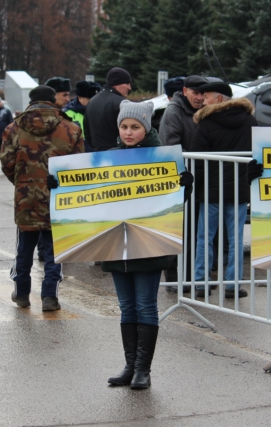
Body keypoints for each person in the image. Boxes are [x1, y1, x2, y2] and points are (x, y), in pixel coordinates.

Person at [89, 100, 193, 389]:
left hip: (148, 245)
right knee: (126, 307)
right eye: (124, 126)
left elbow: (173, 203)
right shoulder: (109, 157)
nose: (128, 132)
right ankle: (129, 365)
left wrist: (185, 185)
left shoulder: (162, 158)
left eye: (135, 127)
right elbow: (89, 194)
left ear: (146, 128)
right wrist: (58, 185)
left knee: (146, 305)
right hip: (116, 245)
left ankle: (143, 370)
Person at [0, 85, 84, 311]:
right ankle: (49, 297)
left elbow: (7, 163)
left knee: (24, 248)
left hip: (25, 197)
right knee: (54, 250)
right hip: (58, 198)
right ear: (53, 101)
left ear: (31, 101)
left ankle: (21, 293)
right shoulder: (71, 128)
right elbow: (78, 167)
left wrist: (22, 183)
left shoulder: (13, 127)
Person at [189, 81, 254, 299]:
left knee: (204, 238)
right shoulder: (250, 120)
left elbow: (197, 161)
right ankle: (232, 285)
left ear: (218, 99)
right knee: (236, 239)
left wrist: (194, 189)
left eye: (206, 96)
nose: (202, 101)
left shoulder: (206, 123)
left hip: (210, 192)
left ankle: (201, 282)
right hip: (240, 190)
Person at [159, 75, 207, 292]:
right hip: (180, 180)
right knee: (178, 230)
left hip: (199, 178)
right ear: (185, 90)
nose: (199, 97)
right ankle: (172, 278)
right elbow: (170, 145)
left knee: (194, 230)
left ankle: (188, 277)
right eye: (195, 93)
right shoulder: (173, 111)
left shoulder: (203, 110)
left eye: (202, 93)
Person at [84, 67, 132, 151]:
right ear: (116, 83)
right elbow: (132, 134)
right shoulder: (123, 103)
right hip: (120, 156)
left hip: (98, 156)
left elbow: (87, 133)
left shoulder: (92, 102)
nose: (129, 88)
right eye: (127, 83)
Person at [63, 80, 102, 150]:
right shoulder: (67, 114)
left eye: (95, 99)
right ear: (80, 98)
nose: (93, 102)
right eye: (89, 99)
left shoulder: (101, 111)